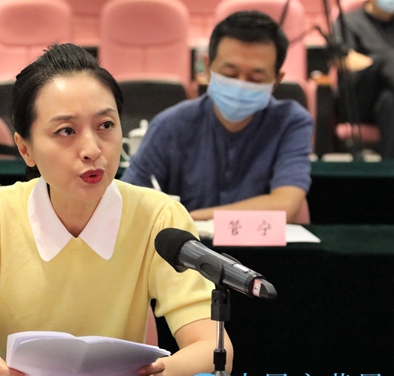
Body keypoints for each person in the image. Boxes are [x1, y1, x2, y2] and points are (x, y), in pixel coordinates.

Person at [0, 43, 232, 376]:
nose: (92, 149)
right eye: (66, 131)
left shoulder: (159, 217)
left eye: (105, 125)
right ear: (25, 149)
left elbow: (214, 348)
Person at [121, 11, 313, 223]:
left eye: (256, 78)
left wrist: (191, 219)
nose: (241, 85)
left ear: (276, 80)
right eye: (230, 74)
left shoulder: (291, 122)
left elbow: (286, 206)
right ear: (208, 67)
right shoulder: (169, 125)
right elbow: (130, 202)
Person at [335, 0, 394, 158]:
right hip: (358, 100)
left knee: (390, 101)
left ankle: (389, 170)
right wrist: (379, 64)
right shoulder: (348, 21)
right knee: (388, 60)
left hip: (386, 99)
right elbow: (344, 60)